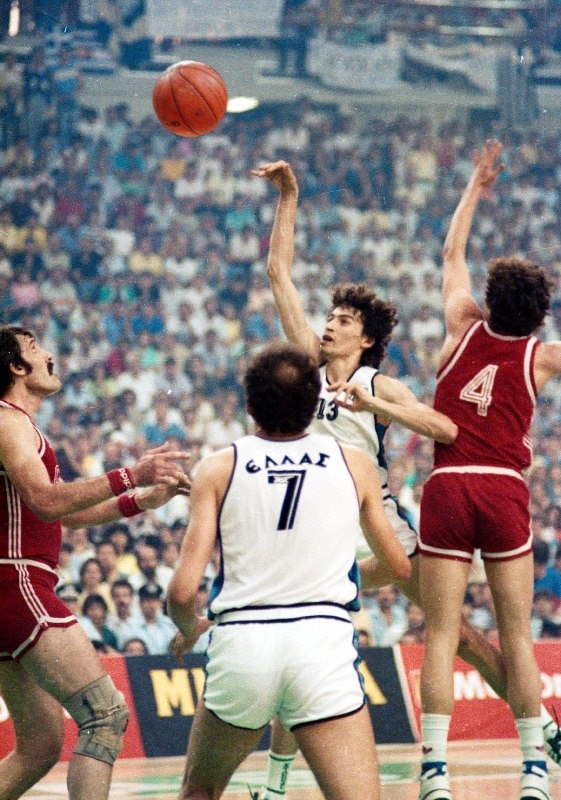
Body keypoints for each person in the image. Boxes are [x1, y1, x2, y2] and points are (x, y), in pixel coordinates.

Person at [250, 159, 561, 799]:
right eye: (329, 315)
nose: (329, 323)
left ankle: (540, 728)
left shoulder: (379, 384)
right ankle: (275, 784)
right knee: (309, 644)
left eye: (343, 319)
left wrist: (382, 406)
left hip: (379, 530)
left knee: (459, 635)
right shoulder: (307, 366)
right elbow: (279, 273)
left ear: (365, 339)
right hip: (324, 532)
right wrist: (289, 196)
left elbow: (442, 424)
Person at [167, 343, 412, 800]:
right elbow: (398, 565)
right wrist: (332, 575)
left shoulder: (217, 468)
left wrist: (189, 628)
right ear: (313, 402)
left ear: (249, 403)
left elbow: (181, 593)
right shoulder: (354, 463)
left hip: (243, 642)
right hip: (322, 642)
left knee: (200, 791)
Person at [417, 140, 561, 800]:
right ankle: (533, 770)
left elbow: (452, 254)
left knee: (440, 635)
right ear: (538, 314)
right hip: (502, 489)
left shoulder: (460, 324)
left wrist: (475, 186)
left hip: (447, 485)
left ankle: (433, 773)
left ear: (490, 301)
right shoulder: (542, 356)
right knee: (517, 638)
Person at [0, 324, 190, 800]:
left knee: (40, 746)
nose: (49, 354)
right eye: (34, 347)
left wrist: (141, 499)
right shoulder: (8, 421)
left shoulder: (17, 425)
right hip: (17, 582)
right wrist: (130, 474)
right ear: (16, 367)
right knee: (106, 715)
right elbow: (48, 501)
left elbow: (67, 513)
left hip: (10, 591)